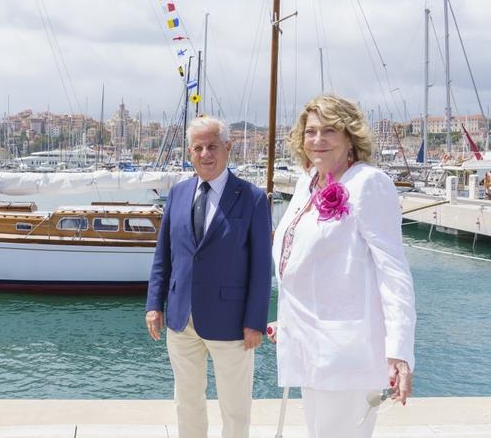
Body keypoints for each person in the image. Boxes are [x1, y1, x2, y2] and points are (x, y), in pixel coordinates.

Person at [269, 95, 416, 438]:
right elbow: (306, 263)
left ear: (350, 138)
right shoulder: (309, 183)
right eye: (311, 131)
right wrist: (288, 321)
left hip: (347, 352)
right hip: (309, 346)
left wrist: (398, 352)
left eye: (329, 131)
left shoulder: (368, 183)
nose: (317, 140)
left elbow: (393, 272)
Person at [146, 115, 272, 438]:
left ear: (228, 147)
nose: (205, 154)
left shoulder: (253, 198)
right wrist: (154, 305)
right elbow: (164, 255)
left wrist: (255, 321)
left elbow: (261, 267)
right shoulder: (177, 194)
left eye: (212, 146)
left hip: (231, 324)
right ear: (190, 152)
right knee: (186, 402)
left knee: (235, 407)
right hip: (181, 318)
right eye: (198, 148)